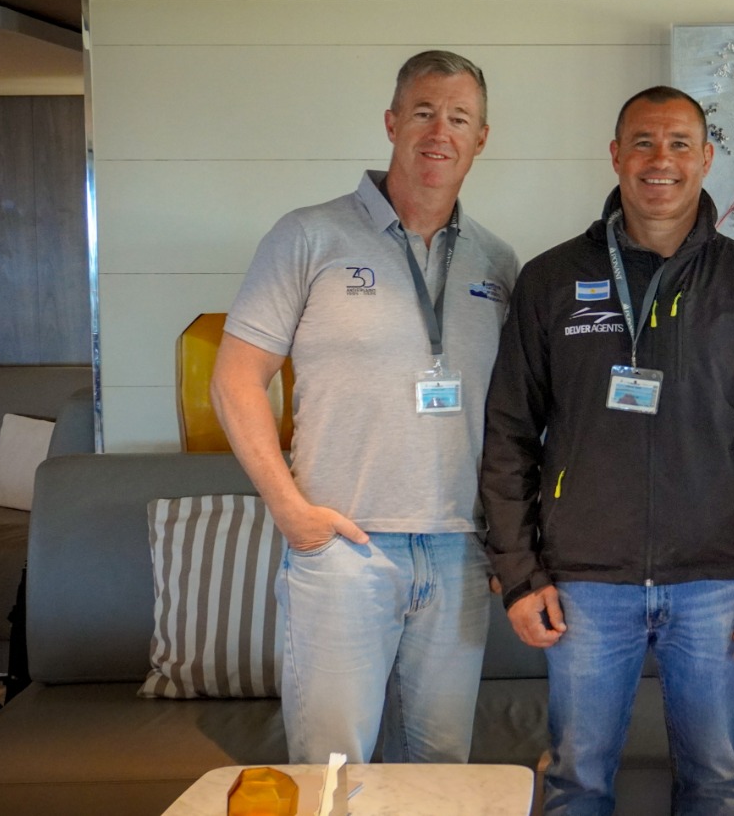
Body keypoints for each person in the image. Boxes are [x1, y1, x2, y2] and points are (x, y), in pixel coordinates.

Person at [481, 86, 734, 816]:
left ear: (706, 158)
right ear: (615, 155)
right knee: (576, 780)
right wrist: (519, 572)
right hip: (583, 581)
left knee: (717, 782)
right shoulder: (551, 280)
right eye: (642, 142)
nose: (660, 159)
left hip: (716, 581)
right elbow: (507, 434)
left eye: (678, 144)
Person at [211, 50, 519, 764]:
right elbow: (235, 379)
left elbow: (516, 417)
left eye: (459, 118)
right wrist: (292, 512)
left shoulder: (497, 262)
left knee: (440, 779)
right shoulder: (308, 235)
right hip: (344, 548)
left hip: (459, 551)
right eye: (423, 112)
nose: (439, 131)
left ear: (481, 138)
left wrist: (509, 538)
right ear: (391, 122)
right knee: (332, 774)